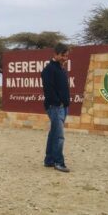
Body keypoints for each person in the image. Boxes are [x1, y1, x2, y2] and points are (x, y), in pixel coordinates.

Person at [41, 43, 71, 173]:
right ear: (55, 54)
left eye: (66, 56)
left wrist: (65, 103)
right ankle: (59, 162)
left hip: (63, 107)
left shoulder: (61, 69)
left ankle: (49, 160)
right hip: (55, 107)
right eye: (63, 55)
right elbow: (49, 90)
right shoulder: (49, 70)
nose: (65, 58)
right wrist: (58, 103)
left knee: (53, 134)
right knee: (59, 136)